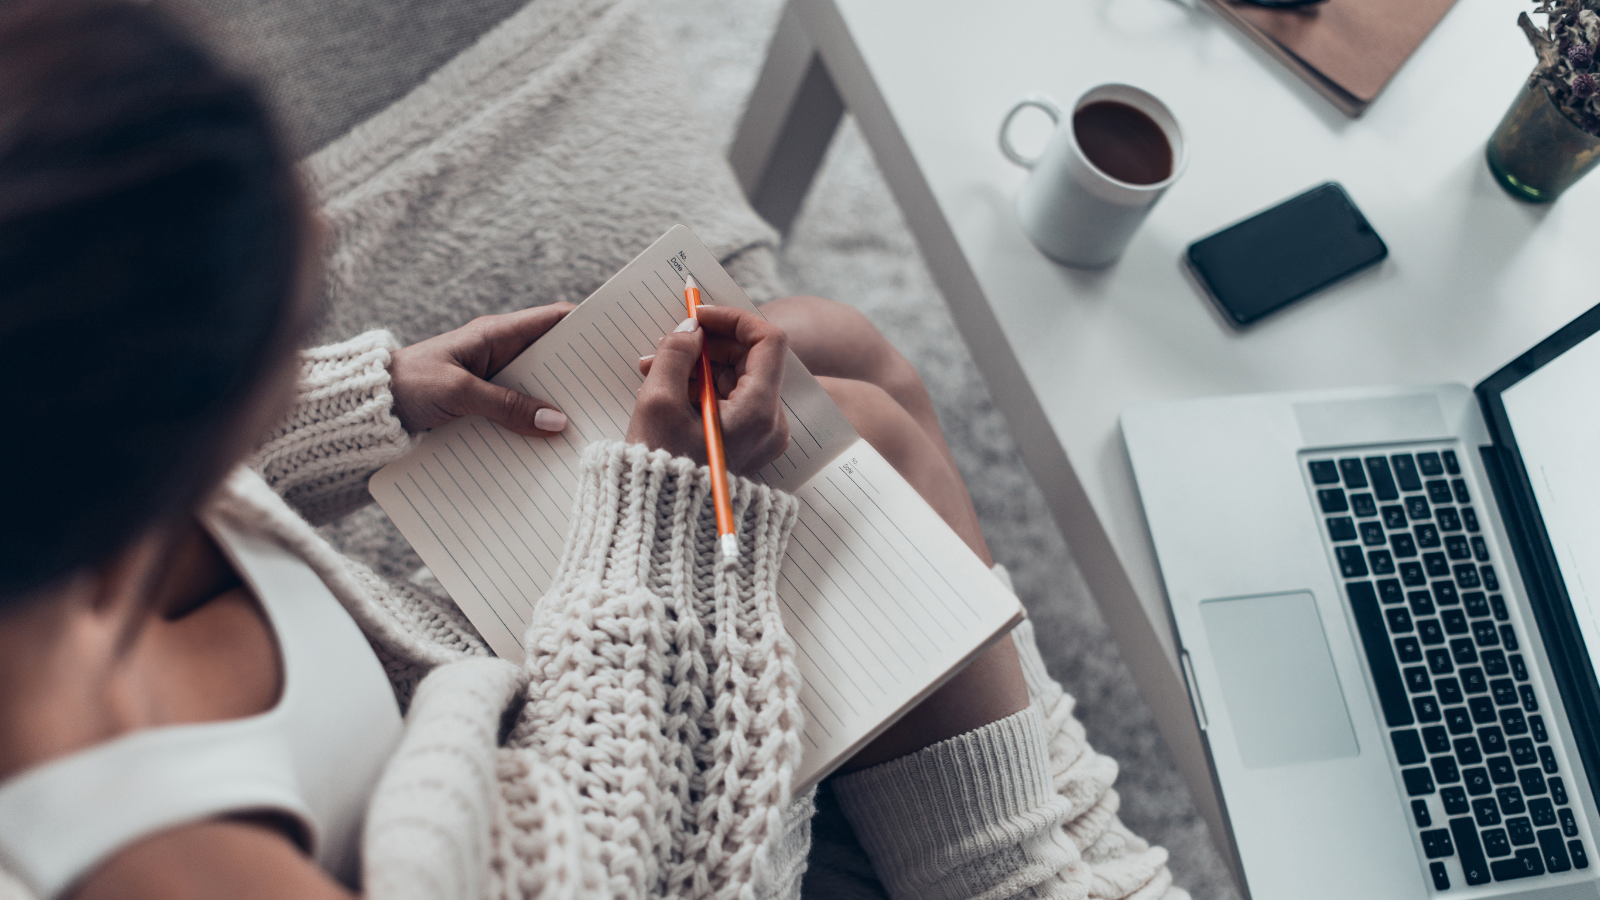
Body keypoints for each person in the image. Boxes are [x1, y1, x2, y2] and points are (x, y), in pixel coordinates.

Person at [0, 2, 1184, 899]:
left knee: (831, 348)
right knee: (850, 441)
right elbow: (605, 859)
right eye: (276, 350)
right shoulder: (177, 861)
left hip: (445, 708)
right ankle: (1029, 868)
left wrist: (381, 391)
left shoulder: (41, 509)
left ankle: (1048, 847)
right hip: (617, 820)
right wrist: (666, 509)